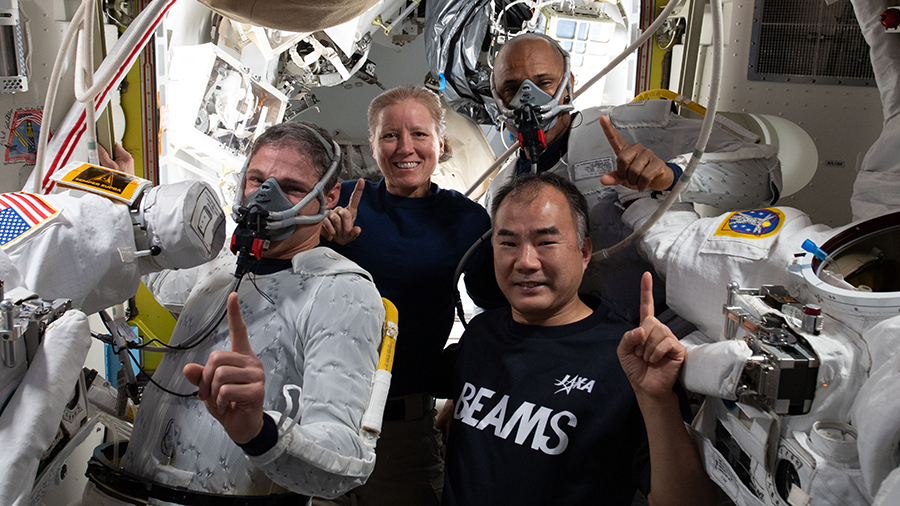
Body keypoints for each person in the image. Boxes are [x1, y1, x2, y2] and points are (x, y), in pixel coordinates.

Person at [83, 121, 386, 503]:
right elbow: (157, 274)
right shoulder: (221, 267)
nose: (266, 198)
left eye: (291, 188)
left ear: (328, 197)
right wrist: (128, 198)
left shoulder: (342, 292)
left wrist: (257, 430)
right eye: (258, 181)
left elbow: (345, 459)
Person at [434, 172, 716, 505]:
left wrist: (658, 401)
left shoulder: (628, 359)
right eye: (508, 243)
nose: (525, 262)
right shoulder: (482, 333)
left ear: (584, 252)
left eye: (545, 242)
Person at [486, 32, 782, 322]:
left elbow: (764, 178)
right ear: (496, 96)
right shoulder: (500, 190)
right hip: (574, 346)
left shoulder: (628, 127)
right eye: (512, 88)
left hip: (664, 330)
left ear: (568, 85)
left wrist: (673, 176)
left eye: (543, 83)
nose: (528, 99)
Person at [317, 85, 501, 505]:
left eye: (419, 134)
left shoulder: (466, 220)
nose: (405, 148)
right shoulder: (341, 201)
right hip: (321, 408)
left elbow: (497, 310)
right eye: (389, 135)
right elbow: (284, 279)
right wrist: (324, 244)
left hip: (401, 428)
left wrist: (465, 392)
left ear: (440, 142)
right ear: (373, 144)